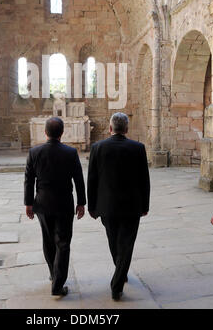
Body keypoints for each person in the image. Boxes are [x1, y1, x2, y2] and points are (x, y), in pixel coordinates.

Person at [87, 112, 150, 301]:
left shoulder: (97, 147)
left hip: (107, 206)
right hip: (132, 206)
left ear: (110, 128)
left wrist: (92, 206)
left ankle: (117, 282)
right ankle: (120, 273)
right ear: (127, 129)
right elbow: (144, 180)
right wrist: (145, 204)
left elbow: (92, 179)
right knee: (126, 244)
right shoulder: (138, 148)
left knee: (114, 241)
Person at [24, 116, 86, 297]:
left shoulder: (34, 152)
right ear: (62, 133)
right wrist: (81, 202)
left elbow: (29, 180)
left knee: (48, 240)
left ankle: (54, 274)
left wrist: (28, 203)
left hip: (42, 203)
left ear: (45, 133)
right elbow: (78, 179)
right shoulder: (70, 152)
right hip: (64, 203)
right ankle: (58, 284)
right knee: (63, 243)